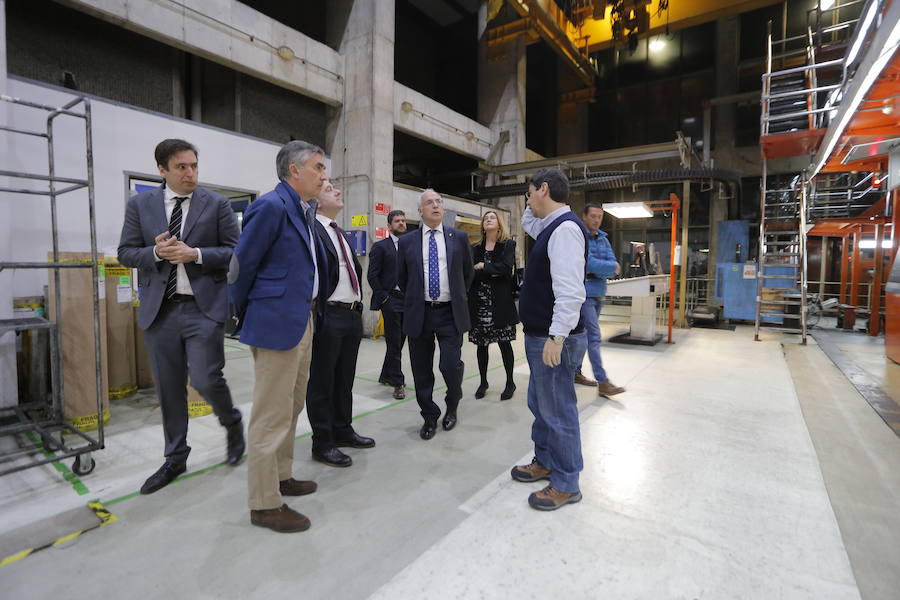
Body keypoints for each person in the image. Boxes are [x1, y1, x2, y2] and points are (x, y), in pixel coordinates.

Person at [118, 138, 244, 496]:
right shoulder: (141, 205)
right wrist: (156, 252)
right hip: (160, 309)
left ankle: (231, 422)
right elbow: (125, 253)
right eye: (182, 167)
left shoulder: (216, 203)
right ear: (162, 170)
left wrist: (197, 254)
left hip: (202, 308)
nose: (191, 174)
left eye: (194, 166)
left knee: (205, 378)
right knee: (169, 388)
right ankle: (175, 456)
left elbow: (236, 252)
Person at [230, 140, 329, 533]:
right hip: (275, 324)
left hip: (300, 318)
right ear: (294, 170)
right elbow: (241, 267)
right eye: (318, 168)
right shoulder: (271, 206)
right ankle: (264, 503)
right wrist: (242, 315)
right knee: (270, 416)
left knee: (291, 406)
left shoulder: (302, 210)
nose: (324, 175)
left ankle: (282, 475)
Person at [510, 167, 588, 511]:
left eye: (531, 192)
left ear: (544, 189)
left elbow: (571, 293)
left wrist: (557, 336)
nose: (528, 200)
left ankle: (567, 483)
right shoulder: (550, 226)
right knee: (540, 406)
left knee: (558, 412)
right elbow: (530, 221)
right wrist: (534, 198)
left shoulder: (566, 230)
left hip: (554, 339)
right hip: (542, 335)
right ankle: (544, 461)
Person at [307, 180, 375, 468]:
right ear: (316, 201)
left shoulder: (339, 232)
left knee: (344, 379)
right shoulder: (312, 229)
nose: (336, 190)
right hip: (328, 313)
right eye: (328, 188)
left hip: (350, 314)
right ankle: (322, 442)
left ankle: (343, 429)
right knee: (322, 380)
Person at [397, 189, 474, 440]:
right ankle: (429, 416)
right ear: (420, 211)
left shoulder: (458, 237)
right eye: (429, 203)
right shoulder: (407, 241)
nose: (435, 205)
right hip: (419, 313)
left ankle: (452, 404)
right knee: (421, 370)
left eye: (439, 201)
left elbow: (467, 274)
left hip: (449, 313)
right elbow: (402, 277)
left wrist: (457, 297)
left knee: (450, 365)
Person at [573, 203, 626, 397]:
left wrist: (605, 267)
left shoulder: (603, 239)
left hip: (599, 292)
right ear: (584, 216)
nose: (596, 220)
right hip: (585, 293)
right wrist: (609, 267)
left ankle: (575, 371)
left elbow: (613, 263)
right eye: (593, 216)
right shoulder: (579, 236)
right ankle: (603, 381)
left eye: (599, 217)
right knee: (593, 336)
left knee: (584, 337)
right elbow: (588, 263)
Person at [468, 211, 519, 401]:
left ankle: (510, 382)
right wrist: (490, 270)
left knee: (504, 344)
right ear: (482, 225)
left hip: (500, 303)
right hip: (479, 303)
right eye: (486, 218)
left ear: (499, 223)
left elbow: (506, 268)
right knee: (482, 345)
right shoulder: (475, 248)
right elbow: (471, 273)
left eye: (492, 217)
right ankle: (483, 382)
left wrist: (483, 267)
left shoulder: (508, 245)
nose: (488, 219)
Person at [367, 210, 408, 400]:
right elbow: (372, 275)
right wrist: (384, 298)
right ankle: (398, 383)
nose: (401, 223)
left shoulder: (410, 246)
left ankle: (386, 374)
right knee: (393, 341)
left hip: (407, 300)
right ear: (389, 226)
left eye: (403, 220)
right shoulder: (380, 247)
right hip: (390, 299)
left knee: (399, 342)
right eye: (397, 221)